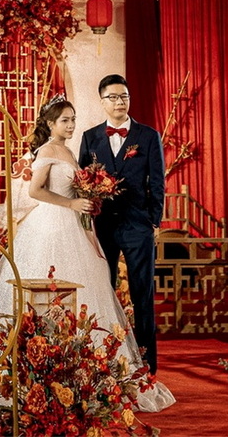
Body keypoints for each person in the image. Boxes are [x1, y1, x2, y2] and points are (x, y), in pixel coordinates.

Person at [0, 94, 174, 412]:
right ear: (50, 124)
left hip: (74, 225)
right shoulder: (47, 150)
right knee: (50, 292)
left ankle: (81, 370)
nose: (71, 125)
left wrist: (89, 217)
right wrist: (71, 203)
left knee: (88, 287)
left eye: (73, 119)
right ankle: (37, 369)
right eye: (65, 120)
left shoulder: (69, 151)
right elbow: (35, 190)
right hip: (50, 227)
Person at [78, 74, 165, 375]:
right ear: (102, 101)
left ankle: (147, 366)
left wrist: (153, 220)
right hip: (103, 226)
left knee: (143, 295)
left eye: (124, 96)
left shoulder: (148, 136)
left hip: (138, 226)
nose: (120, 102)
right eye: (113, 97)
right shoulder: (90, 137)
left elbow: (158, 182)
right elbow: (83, 180)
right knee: (104, 290)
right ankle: (106, 361)